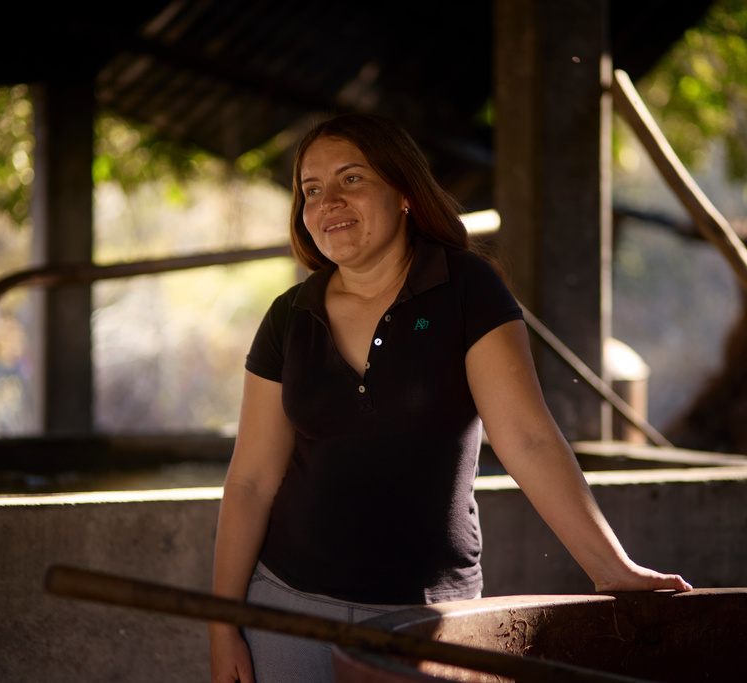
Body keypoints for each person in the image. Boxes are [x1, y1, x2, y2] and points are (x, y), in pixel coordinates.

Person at [208, 113, 691, 683]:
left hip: (427, 615)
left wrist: (611, 569)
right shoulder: (289, 316)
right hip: (287, 608)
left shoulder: (467, 290)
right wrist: (222, 626)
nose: (327, 201)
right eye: (311, 190)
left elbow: (529, 439)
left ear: (405, 192)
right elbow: (250, 481)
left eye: (351, 179)